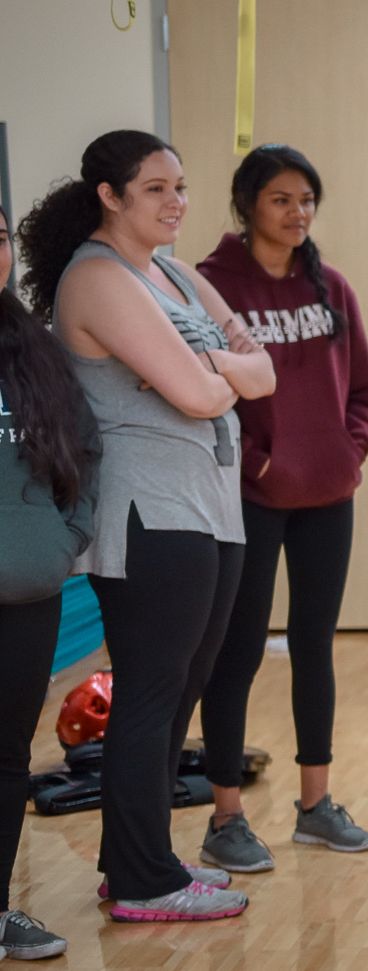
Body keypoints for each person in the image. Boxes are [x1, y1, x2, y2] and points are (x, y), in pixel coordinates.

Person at [21, 129, 275, 921]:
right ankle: (141, 878)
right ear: (110, 196)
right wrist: (215, 373)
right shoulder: (96, 279)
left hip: (208, 504)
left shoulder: (170, 273)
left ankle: (142, 858)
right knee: (151, 691)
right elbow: (203, 397)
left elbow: (259, 373)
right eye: (157, 189)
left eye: (181, 186)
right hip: (149, 511)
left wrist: (211, 368)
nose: (177, 202)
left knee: (183, 687)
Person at [193, 144, 368, 872]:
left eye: (307, 200)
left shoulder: (330, 287)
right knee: (235, 653)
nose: (298, 213)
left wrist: (346, 451)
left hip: (328, 496)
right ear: (247, 205)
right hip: (250, 498)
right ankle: (226, 815)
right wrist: (258, 463)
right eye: (281, 199)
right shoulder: (212, 287)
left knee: (314, 645)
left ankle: (315, 804)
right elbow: (203, 401)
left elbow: (365, 392)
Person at [0, 202, 99, 960]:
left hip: (27, 592)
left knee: (8, 758)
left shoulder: (35, 349)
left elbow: (84, 452)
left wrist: (64, 540)